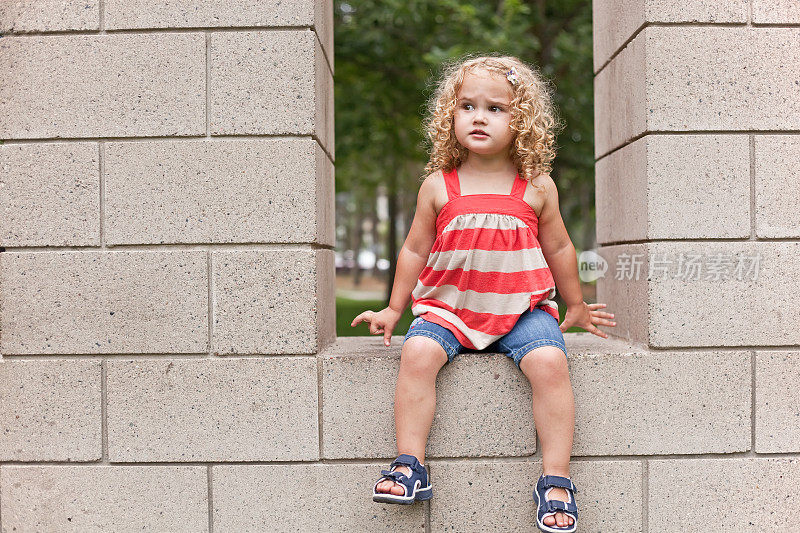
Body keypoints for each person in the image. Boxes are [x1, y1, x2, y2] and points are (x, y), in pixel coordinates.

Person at [350, 54, 616, 533]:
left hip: (521, 309)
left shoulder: (535, 187)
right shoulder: (438, 186)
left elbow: (558, 245)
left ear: (522, 122)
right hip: (449, 307)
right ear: (449, 115)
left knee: (551, 363)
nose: (478, 116)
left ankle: (556, 480)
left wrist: (574, 303)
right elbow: (413, 249)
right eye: (467, 105)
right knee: (417, 354)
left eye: (496, 108)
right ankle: (410, 464)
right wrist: (394, 308)